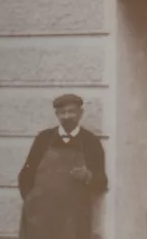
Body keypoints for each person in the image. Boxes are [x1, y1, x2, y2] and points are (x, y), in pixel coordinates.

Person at [18, 93, 108, 239]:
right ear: (57, 115)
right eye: (62, 112)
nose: (67, 116)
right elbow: (26, 174)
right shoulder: (44, 138)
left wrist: (87, 176)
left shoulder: (91, 142)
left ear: (80, 113)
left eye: (71, 111)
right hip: (42, 218)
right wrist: (32, 203)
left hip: (74, 220)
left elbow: (102, 182)